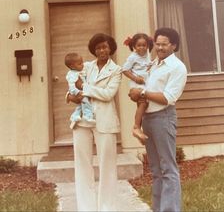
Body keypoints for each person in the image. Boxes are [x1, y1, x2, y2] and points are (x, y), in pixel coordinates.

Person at [129, 27, 187, 212]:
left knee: (168, 169)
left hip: (164, 118)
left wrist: (143, 92)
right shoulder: (154, 64)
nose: (159, 47)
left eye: (164, 44)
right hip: (149, 118)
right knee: (156, 170)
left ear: (174, 45)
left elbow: (168, 97)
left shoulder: (177, 67)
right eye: (157, 44)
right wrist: (137, 94)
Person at [66, 33, 122, 211]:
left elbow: (107, 94)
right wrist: (70, 96)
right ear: (94, 50)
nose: (101, 51)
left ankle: (107, 208)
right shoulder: (86, 67)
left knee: (107, 166)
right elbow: (73, 81)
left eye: (105, 47)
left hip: (105, 121)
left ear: (111, 48)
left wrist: (85, 89)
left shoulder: (116, 70)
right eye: (98, 48)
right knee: (82, 165)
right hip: (83, 120)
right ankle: (86, 207)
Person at [122, 33, 153, 144]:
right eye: (139, 45)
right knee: (143, 103)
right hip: (137, 84)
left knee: (143, 105)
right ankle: (136, 127)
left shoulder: (148, 54)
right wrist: (135, 79)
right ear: (134, 47)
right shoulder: (133, 57)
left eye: (144, 45)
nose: (142, 48)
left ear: (148, 46)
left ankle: (139, 130)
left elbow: (147, 66)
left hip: (146, 83)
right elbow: (125, 70)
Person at [65, 52, 95, 129]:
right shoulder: (72, 74)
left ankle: (74, 117)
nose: (82, 64)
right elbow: (71, 86)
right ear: (72, 66)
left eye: (82, 62)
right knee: (85, 102)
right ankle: (88, 116)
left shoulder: (80, 70)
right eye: (79, 63)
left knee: (80, 106)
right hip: (76, 92)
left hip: (81, 91)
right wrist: (77, 92)